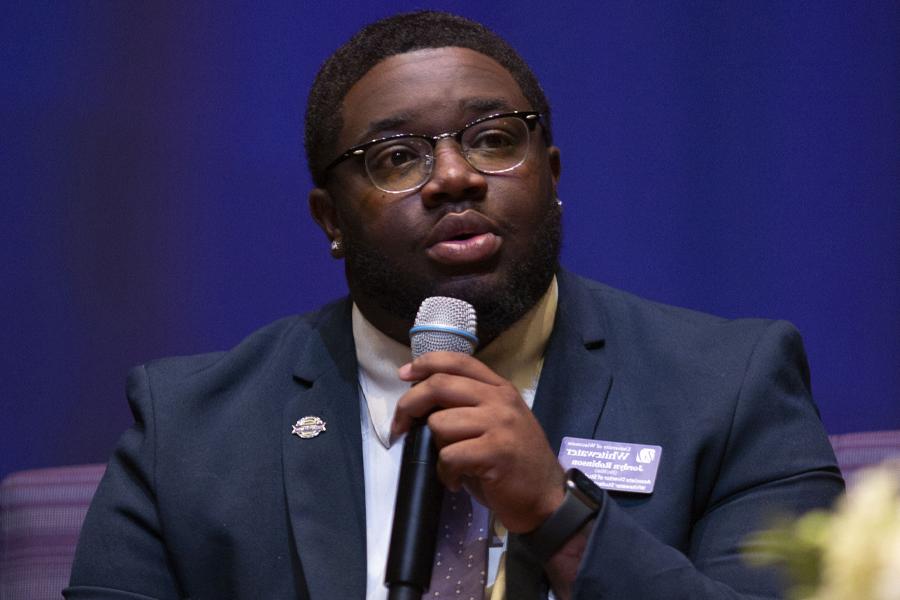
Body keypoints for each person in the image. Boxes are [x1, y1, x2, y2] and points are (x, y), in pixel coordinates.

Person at [66, 11, 843, 600]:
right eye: (397, 157)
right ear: (330, 220)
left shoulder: (730, 386)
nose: (454, 177)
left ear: (552, 173)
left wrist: (557, 514)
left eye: (494, 139)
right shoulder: (189, 428)